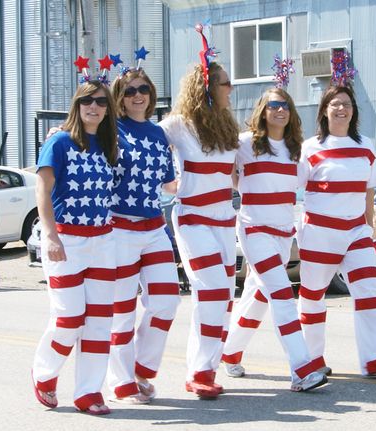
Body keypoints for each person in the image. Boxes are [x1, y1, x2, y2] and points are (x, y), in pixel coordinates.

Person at [221, 88, 327, 392]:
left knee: (258, 296)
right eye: (273, 105)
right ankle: (302, 369)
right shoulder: (244, 144)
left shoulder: (297, 150)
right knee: (281, 294)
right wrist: (246, 193)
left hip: (284, 233)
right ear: (262, 110)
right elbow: (229, 173)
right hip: (254, 231)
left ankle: (229, 352)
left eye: (285, 105)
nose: (280, 110)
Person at [297, 85, 376, 377]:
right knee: (312, 296)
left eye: (346, 103)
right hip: (319, 232)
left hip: (356, 232)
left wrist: (370, 226)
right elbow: (293, 190)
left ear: (353, 110)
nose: (341, 109)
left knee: (370, 291)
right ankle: (311, 360)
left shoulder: (366, 145)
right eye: (335, 104)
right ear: (324, 110)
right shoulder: (310, 147)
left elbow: (368, 191)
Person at [32, 79, 118, 415]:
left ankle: (88, 392)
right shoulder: (60, 142)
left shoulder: (110, 144)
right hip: (65, 240)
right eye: (87, 101)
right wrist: (50, 235)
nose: (93, 107)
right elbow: (42, 190)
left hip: (102, 240)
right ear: (77, 105)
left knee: (98, 321)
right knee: (69, 317)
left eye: (100, 101)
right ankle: (45, 374)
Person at [159, 61, 239, 399]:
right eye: (224, 83)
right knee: (215, 292)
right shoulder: (177, 126)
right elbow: (142, 144)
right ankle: (202, 371)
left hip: (225, 220)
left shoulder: (227, 126)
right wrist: (169, 185)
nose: (230, 89)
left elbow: (237, 173)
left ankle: (202, 365)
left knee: (222, 298)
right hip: (193, 219)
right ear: (206, 88)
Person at [106, 68, 180, 404]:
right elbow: (78, 138)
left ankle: (141, 367)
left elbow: (169, 183)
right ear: (119, 97)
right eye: (129, 90)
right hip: (119, 227)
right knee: (121, 308)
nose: (138, 95)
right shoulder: (109, 129)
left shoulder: (157, 133)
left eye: (144, 89)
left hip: (154, 228)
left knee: (166, 301)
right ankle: (121, 378)